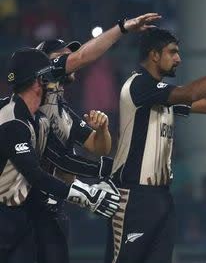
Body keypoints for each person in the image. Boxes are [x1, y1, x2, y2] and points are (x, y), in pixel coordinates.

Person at [105, 27, 206, 263]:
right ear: (154, 55)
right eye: (172, 52)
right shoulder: (138, 86)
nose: (178, 59)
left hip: (161, 197)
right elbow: (190, 93)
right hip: (133, 196)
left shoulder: (163, 97)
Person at [28, 12, 161, 263]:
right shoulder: (39, 94)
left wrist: (101, 130)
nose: (69, 60)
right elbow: (83, 57)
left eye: (69, 54)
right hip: (27, 208)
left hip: (53, 208)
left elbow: (99, 147)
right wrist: (122, 28)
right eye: (61, 56)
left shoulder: (63, 110)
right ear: (44, 65)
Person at [0, 48, 120, 262]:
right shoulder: (13, 121)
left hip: (21, 217)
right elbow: (36, 175)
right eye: (51, 78)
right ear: (40, 81)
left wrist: (107, 170)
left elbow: (61, 159)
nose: (57, 84)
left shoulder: (40, 120)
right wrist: (84, 196)